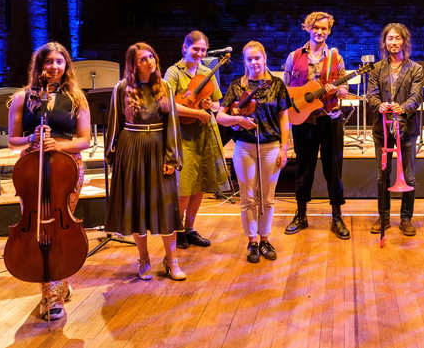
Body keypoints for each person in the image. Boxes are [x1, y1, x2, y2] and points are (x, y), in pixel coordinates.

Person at [7, 42, 91, 320]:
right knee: (36, 229)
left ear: (67, 66)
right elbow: (12, 141)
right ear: (39, 65)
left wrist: (59, 146)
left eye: (59, 61)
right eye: (48, 62)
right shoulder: (22, 97)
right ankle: (54, 287)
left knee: (58, 230)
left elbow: (84, 140)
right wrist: (31, 139)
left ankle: (53, 294)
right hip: (31, 171)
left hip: (67, 168)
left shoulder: (77, 97)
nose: (54, 66)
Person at [105, 43, 185, 281]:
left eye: (151, 56)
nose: (150, 61)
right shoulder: (122, 89)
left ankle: (172, 261)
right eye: (143, 59)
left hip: (159, 148)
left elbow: (173, 124)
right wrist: (114, 158)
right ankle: (144, 260)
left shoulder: (165, 87)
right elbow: (114, 125)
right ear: (133, 64)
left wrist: (172, 157)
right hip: (132, 149)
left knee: (167, 208)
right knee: (137, 208)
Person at [217, 42, 292, 263]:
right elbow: (221, 117)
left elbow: (284, 118)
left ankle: (265, 238)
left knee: (267, 198)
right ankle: (251, 241)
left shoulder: (277, 85)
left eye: (257, 58)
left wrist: (284, 147)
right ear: (245, 61)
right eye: (249, 59)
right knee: (248, 197)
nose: (254, 62)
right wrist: (238, 119)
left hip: (270, 146)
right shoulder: (237, 87)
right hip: (245, 147)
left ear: (264, 58)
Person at [283, 11, 351, 239]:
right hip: (303, 121)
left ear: (329, 31)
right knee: (303, 168)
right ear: (308, 28)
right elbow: (286, 91)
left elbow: (344, 91)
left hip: (330, 120)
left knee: (334, 170)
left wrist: (337, 90)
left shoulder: (336, 58)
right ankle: (301, 214)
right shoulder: (294, 56)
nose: (320, 32)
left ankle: (336, 216)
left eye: (324, 29)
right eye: (316, 28)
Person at [165, 31, 230, 249]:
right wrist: (196, 113)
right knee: (184, 187)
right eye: (195, 49)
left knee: (200, 184)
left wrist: (207, 106)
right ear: (185, 47)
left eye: (203, 50)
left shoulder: (207, 72)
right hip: (183, 136)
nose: (199, 54)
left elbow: (216, 105)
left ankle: (190, 229)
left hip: (204, 133)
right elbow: (168, 104)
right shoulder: (174, 72)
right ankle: (177, 230)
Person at [367, 23, 423, 237]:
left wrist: (404, 107)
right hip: (382, 129)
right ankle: (384, 217)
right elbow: (371, 94)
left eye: (397, 38)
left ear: (404, 41)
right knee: (383, 176)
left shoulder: (415, 69)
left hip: (406, 129)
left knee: (409, 178)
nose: (393, 42)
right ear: (384, 42)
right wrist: (377, 104)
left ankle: (406, 219)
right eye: (390, 38)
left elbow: (416, 96)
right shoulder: (376, 68)